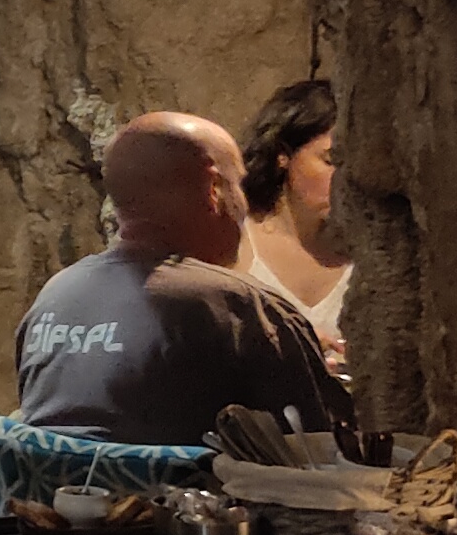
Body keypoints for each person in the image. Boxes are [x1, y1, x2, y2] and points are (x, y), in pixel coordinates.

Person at [18, 113, 352, 442]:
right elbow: (316, 448)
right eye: (238, 184)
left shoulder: (54, 296)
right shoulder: (241, 309)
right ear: (213, 189)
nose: (244, 203)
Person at [238, 78, 349, 356]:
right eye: (331, 160)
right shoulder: (233, 243)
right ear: (282, 155)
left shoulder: (372, 253)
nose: (346, 178)